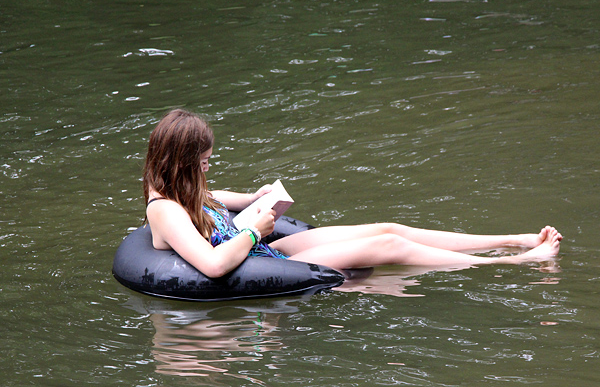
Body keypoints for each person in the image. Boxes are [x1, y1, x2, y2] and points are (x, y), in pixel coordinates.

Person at [143, 109, 562, 279]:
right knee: (389, 244)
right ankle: (517, 263)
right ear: (180, 161)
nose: (208, 167)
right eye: (202, 162)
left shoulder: (184, 187)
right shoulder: (163, 210)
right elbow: (214, 265)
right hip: (252, 261)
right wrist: (253, 230)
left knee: (387, 225)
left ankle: (511, 238)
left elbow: (214, 196)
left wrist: (256, 196)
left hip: (260, 253)